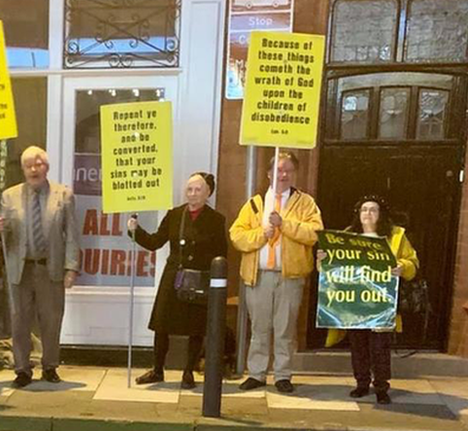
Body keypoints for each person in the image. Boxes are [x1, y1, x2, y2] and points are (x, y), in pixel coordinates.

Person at [230, 151, 323, 393]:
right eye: (279, 170)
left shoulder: (305, 203)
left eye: (288, 170)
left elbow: (314, 234)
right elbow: (237, 236)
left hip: (289, 276)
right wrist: (261, 234)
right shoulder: (255, 203)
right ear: (269, 173)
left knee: (285, 328)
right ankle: (257, 373)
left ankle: (283, 374)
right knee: (259, 328)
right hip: (258, 275)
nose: (283, 175)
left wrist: (285, 224)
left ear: (295, 174)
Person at [128, 173, 228, 389]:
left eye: (198, 190)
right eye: (189, 189)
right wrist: (135, 231)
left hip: (199, 280)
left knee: (196, 328)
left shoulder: (216, 220)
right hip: (174, 277)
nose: (192, 194)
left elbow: (221, 254)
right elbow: (155, 241)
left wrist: (214, 282)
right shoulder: (174, 215)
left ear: (208, 192)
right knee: (161, 325)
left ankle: (188, 372)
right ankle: (157, 370)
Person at [0, 146, 80, 388]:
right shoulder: (9, 196)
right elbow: (2, 240)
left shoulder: (64, 195)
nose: (34, 169)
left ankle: (50, 366)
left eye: (39, 164)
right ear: (23, 169)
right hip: (20, 270)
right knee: (19, 320)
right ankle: (22, 369)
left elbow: (72, 234)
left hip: (49, 268)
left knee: (51, 320)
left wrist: (71, 268)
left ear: (47, 167)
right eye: (29, 165)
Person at [320, 195, 418, 404]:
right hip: (355, 301)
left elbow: (412, 262)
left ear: (381, 214)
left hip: (381, 302)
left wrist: (402, 267)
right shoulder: (346, 236)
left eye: (373, 209)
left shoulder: (395, 237)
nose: (368, 213)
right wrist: (323, 260)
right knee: (358, 346)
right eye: (364, 209)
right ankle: (361, 383)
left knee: (380, 348)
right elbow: (332, 267)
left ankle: (381, 387)